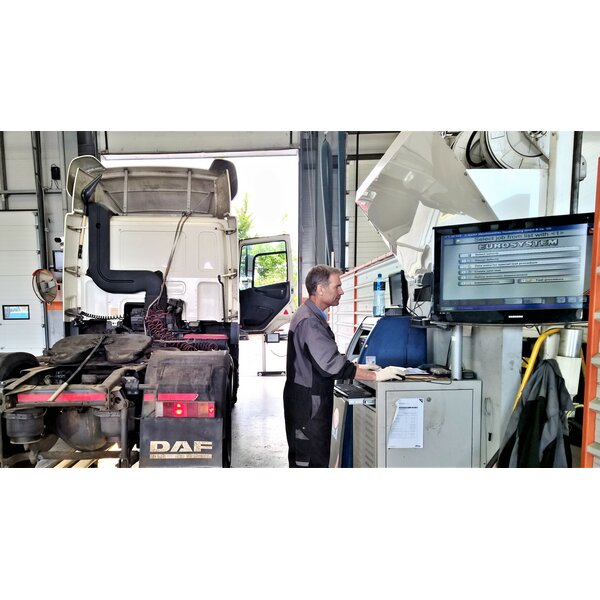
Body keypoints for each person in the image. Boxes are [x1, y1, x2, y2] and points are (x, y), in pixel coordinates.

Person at [283, 264, 404, 468]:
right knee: (311, 462)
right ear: (320, 289)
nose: (341, 291)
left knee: (310, 458)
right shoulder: (310, 321)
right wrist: (376, 376)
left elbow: (322, 355)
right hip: (308, 404)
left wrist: (357, 366)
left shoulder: (310, 315)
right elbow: (330, 365)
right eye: (337, 286)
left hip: (307, 398)